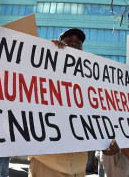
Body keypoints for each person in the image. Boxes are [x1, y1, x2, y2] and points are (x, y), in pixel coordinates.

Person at [28, 28, 119, 177]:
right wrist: (50, 54)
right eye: (69, 41)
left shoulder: (90, 82)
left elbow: (99, 113)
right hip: (47, 163)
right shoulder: (46, 69)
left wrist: (107, 141)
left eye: (78, 43)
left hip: (78, 167)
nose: (74, 44)